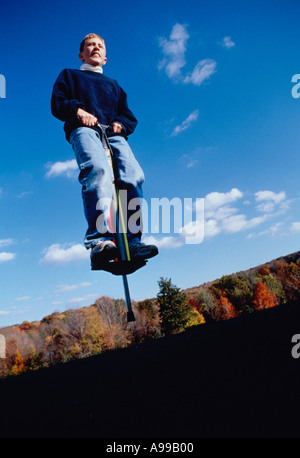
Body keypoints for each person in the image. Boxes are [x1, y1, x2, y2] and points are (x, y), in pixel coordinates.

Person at [51, 33, 158, 267]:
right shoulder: (70, 75)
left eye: (100, 46)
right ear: (82, 54)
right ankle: (100, 240)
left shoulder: (114, 85)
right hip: (84, 129)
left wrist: (122, 124)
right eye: (90, 45)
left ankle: (132, 240)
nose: (96, 48)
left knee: (133, 175)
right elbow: (57, 103)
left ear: (106, 58)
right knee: (98, 170)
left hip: (113, 133)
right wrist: (79, 112)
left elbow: (129, 116)